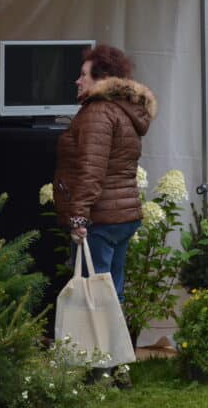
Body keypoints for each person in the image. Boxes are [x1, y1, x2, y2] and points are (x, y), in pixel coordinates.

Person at [53, 44, 157, 304]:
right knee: (111, 295)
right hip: (121, 215)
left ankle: (95, 346)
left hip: (100, 218)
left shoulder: (97, 112)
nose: (77, 81)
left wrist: (78, 216)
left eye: (83, 74)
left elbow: (91, 170)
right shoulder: (122, 110)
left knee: (93, 299)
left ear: (102, 79)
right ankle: (113, 344)